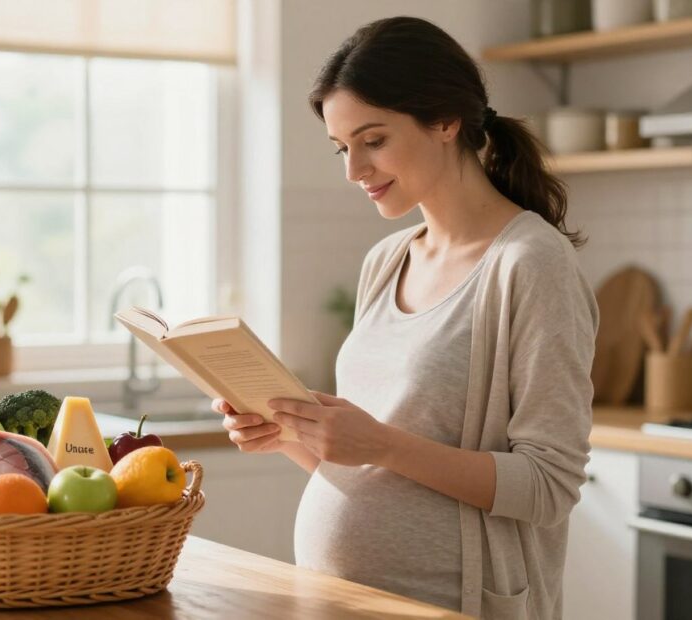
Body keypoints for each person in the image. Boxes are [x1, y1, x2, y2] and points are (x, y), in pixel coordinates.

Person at [211, 16, 598, 620]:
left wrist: (383, 444)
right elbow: (369, 464)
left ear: (445, 120)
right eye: (343, 148)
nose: (353, 170)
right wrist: (288, 433)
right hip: (338, 599)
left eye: (373, 140)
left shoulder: (530, 265)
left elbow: (549, 487)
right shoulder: (387, 260)